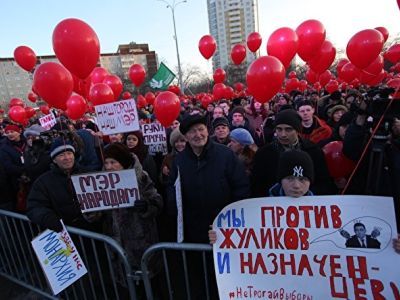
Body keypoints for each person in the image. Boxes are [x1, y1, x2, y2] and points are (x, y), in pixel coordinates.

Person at [167, 114, 250, 243]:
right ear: (186, 137)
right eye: (192, 131)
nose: (198, 134)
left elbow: (241, 188)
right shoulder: (179, 161)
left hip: (225, 229)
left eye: (201, 129)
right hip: (193, 231)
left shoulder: (226, 155)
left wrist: (231, 221)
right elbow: (172, 190)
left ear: (207, 131)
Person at [102, 142, 162, 271]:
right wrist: (90, 210)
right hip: (116, 244)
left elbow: (157, 201)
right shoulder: (100, 182)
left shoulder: (142, 177)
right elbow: (96, 215)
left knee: (148, 283)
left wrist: (146, 206)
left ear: (123, 162)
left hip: (141, 242)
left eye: (113, 162)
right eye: (106, 163)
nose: (109, 167)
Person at [251, 109, 337, 197]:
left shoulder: (313, 150)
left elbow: (323, 182)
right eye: (279, 129)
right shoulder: (264, 153)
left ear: (297, 130)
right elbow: (257, 185)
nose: (283, 134)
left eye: (288, 130)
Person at [26, 138, 100, 232]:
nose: (67, 158)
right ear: (54, 160)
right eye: (61, 155)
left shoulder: (88, 174)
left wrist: (98, 213)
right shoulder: (43, 182)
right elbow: (34, 207)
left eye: (69, 153)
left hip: (93, 232)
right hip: (66, 234)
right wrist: (48, 218)